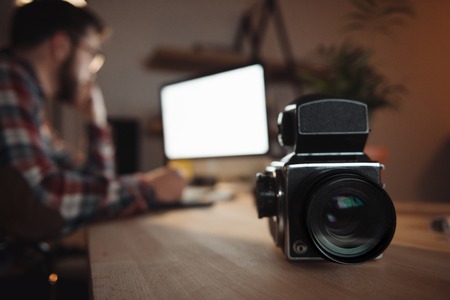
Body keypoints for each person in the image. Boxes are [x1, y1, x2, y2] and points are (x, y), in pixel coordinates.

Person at [0, 0, 186, 258]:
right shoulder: (7, 84)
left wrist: (97, 122)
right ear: (61, 46)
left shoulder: (29, 103)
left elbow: (93, 180)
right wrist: (147, 189)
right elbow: (41, 201)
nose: (92, 72)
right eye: (92, 55)